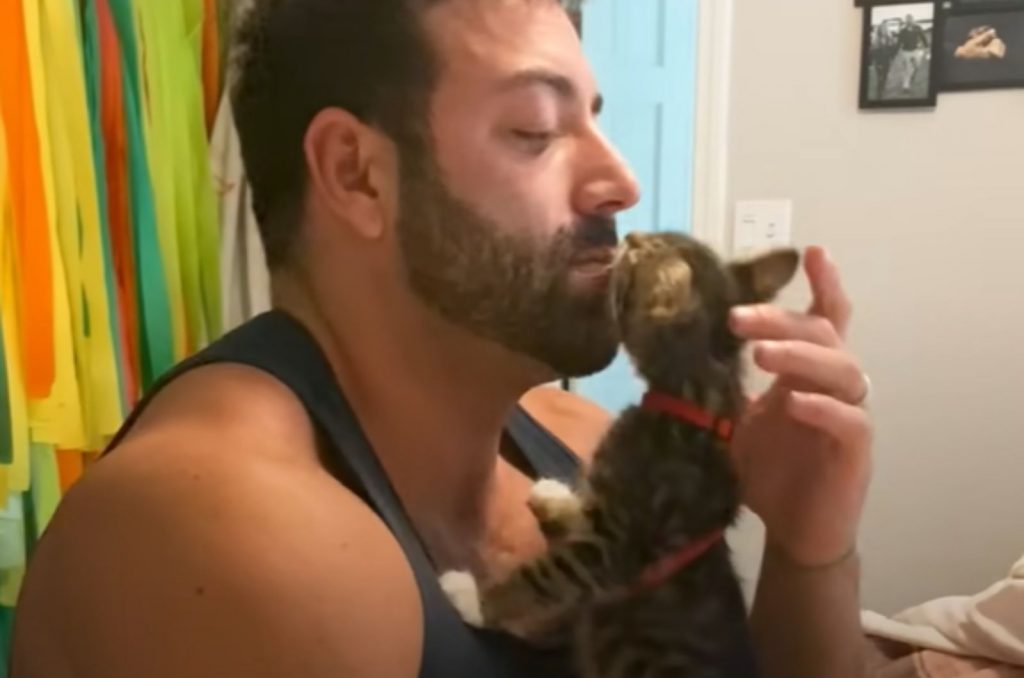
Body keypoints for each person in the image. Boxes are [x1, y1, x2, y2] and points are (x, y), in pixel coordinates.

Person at [10, 1, 873, 677]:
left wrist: (809, 546)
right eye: (536, 130)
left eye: (595, 121)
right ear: (357, 175)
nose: (620, 180)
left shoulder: (576, 443)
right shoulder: (236, 537)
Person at [895, 14, 931, 93]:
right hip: (906, 52)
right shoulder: (903, 31)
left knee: (916, 66)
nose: (909, 21)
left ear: (913, 20)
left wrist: (927, 47)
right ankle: (906, 87)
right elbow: (898, 42)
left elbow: (923, 37)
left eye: (910, 19)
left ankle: (911, 77)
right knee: (907, 69)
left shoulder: (917, 28)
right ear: (906, 21)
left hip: (916, 51)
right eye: (908, 20)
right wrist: (895, 52)